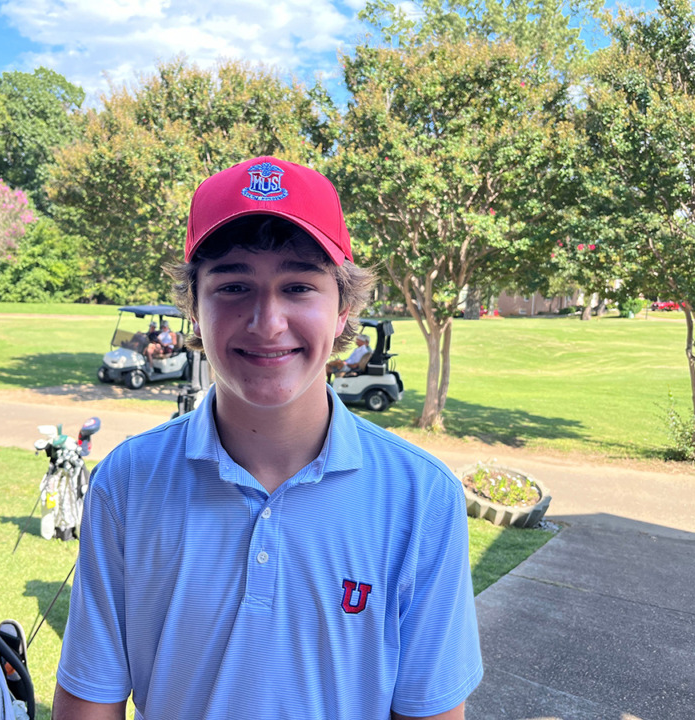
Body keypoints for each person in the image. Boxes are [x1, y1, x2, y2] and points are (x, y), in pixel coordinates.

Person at [53, 157, 482, 720]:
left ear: (342, 310)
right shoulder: (129, 479)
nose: (267, 320)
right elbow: (91, 700)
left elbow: (429, 710)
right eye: (233, 285)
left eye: (299, 285)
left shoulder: (421, 496)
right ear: (195, 312)